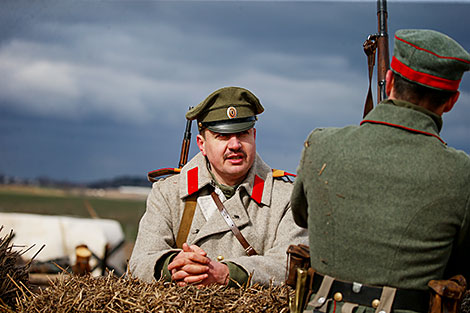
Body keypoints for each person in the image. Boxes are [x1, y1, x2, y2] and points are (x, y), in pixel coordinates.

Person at [291, 29, 470, 312]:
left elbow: (301, 215)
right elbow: (460, 259)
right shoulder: (462, 172)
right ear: (452, 101)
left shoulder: (320, 144)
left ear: (388, 82)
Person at [129, 86, 308, 287]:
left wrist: (227, 274)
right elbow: (140, 261)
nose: (235, 145)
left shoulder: (286, 198)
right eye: (222, 136)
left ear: (254, 136)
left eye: (243, 134)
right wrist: (174, 266)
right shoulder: (168, 192)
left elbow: (291, 265)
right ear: (202, 144)